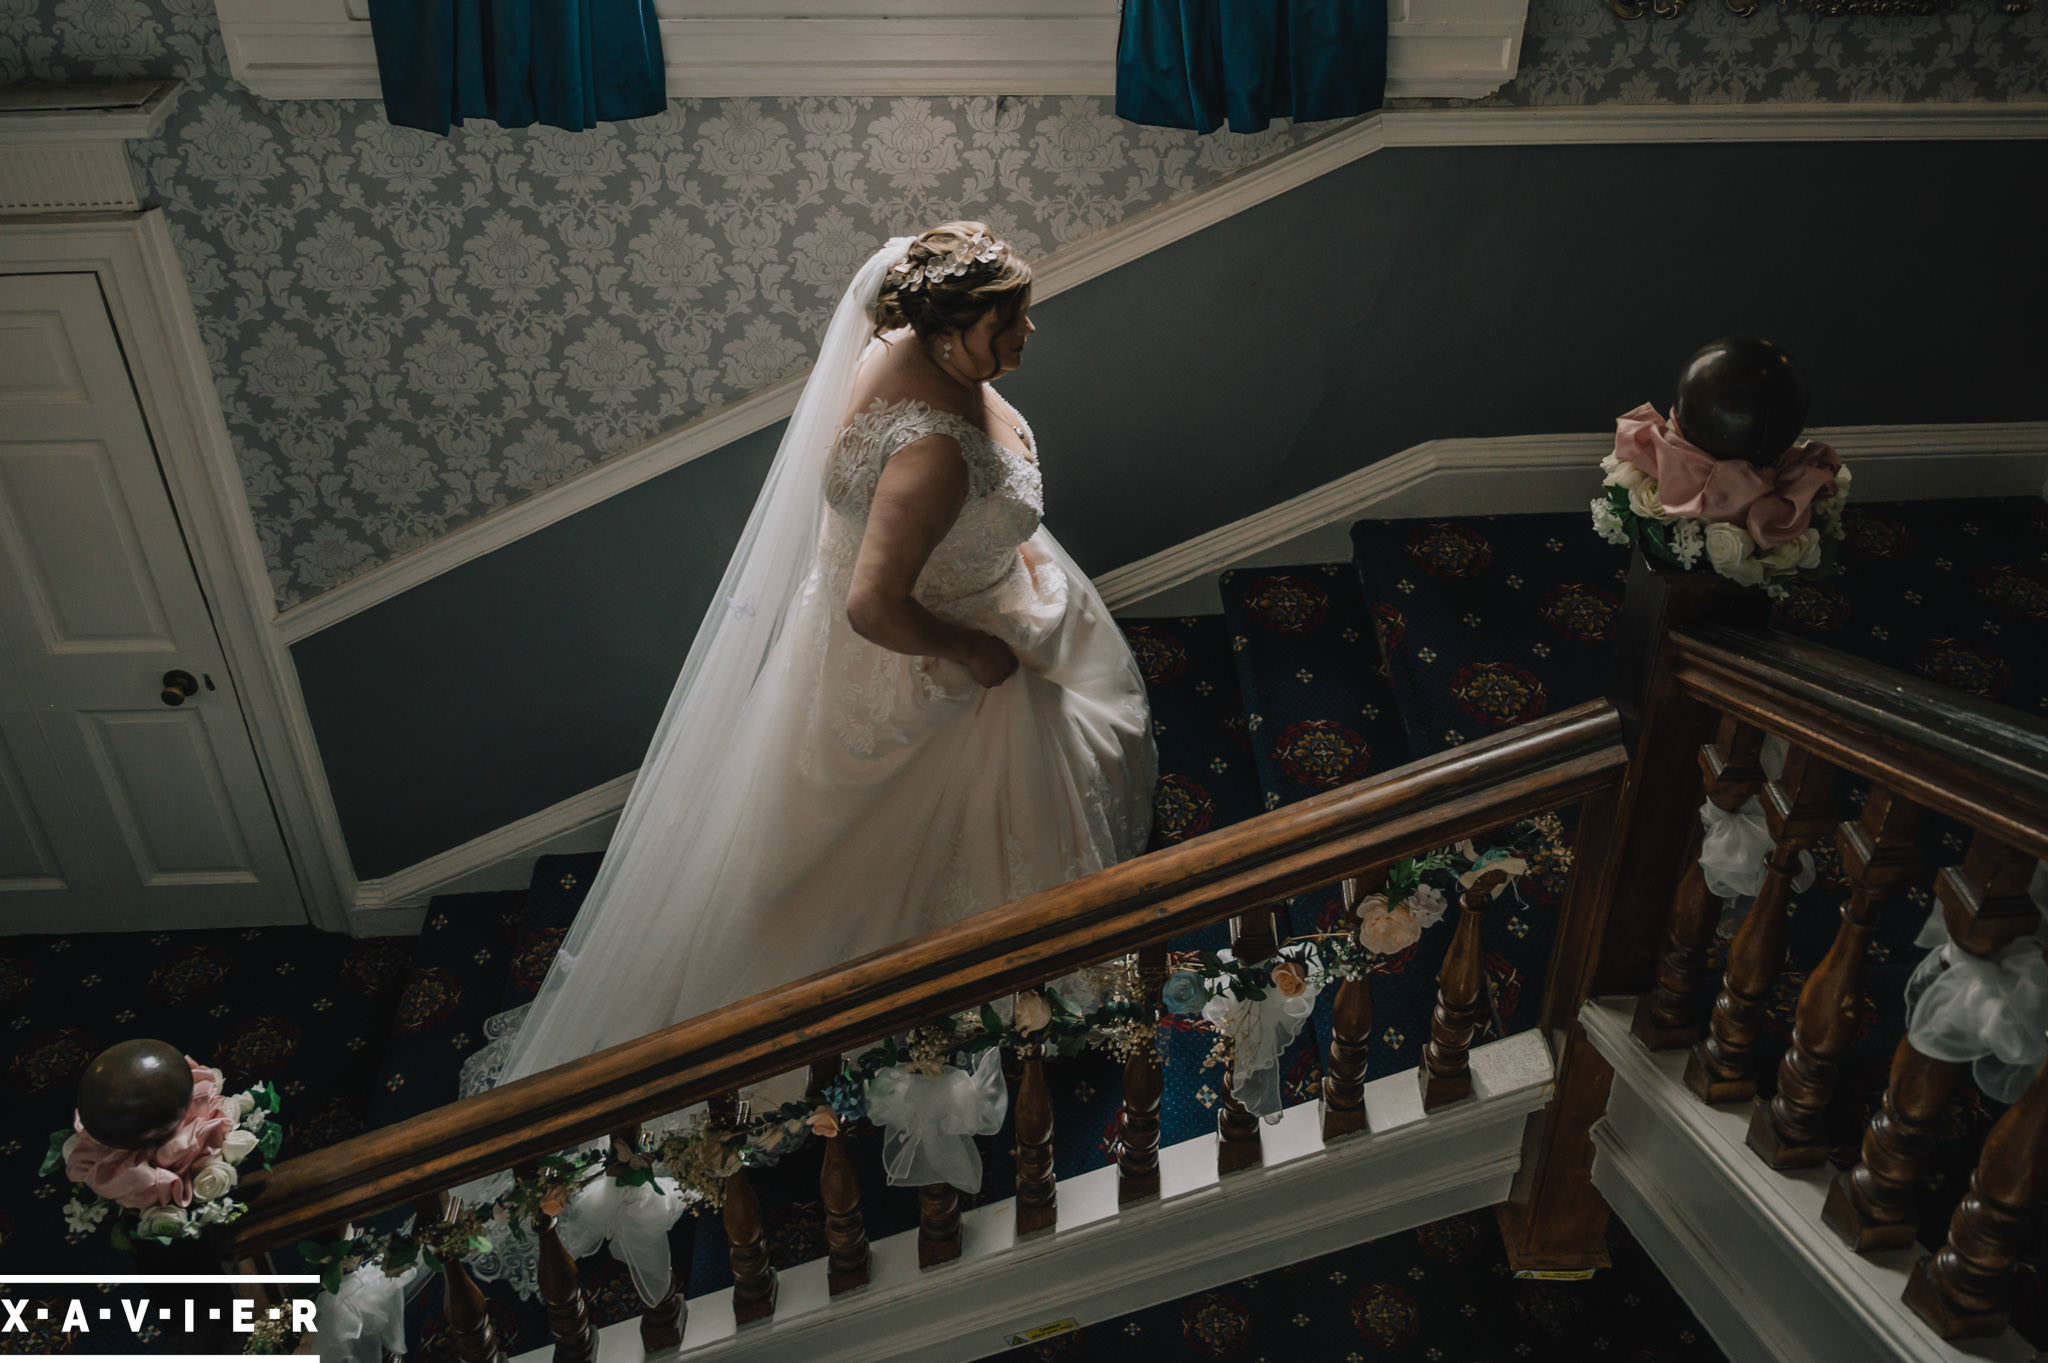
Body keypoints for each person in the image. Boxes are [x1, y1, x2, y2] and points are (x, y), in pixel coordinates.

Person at [457, 223, 1157, 1121]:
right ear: (947, 337)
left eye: (1024, 314)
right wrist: (981, 648)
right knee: (900, 857)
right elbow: (874, 606)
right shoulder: (935, 452)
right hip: (937, 666)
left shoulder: (892, 343)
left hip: (884, 636)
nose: (1029, 334)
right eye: (1008, 322)